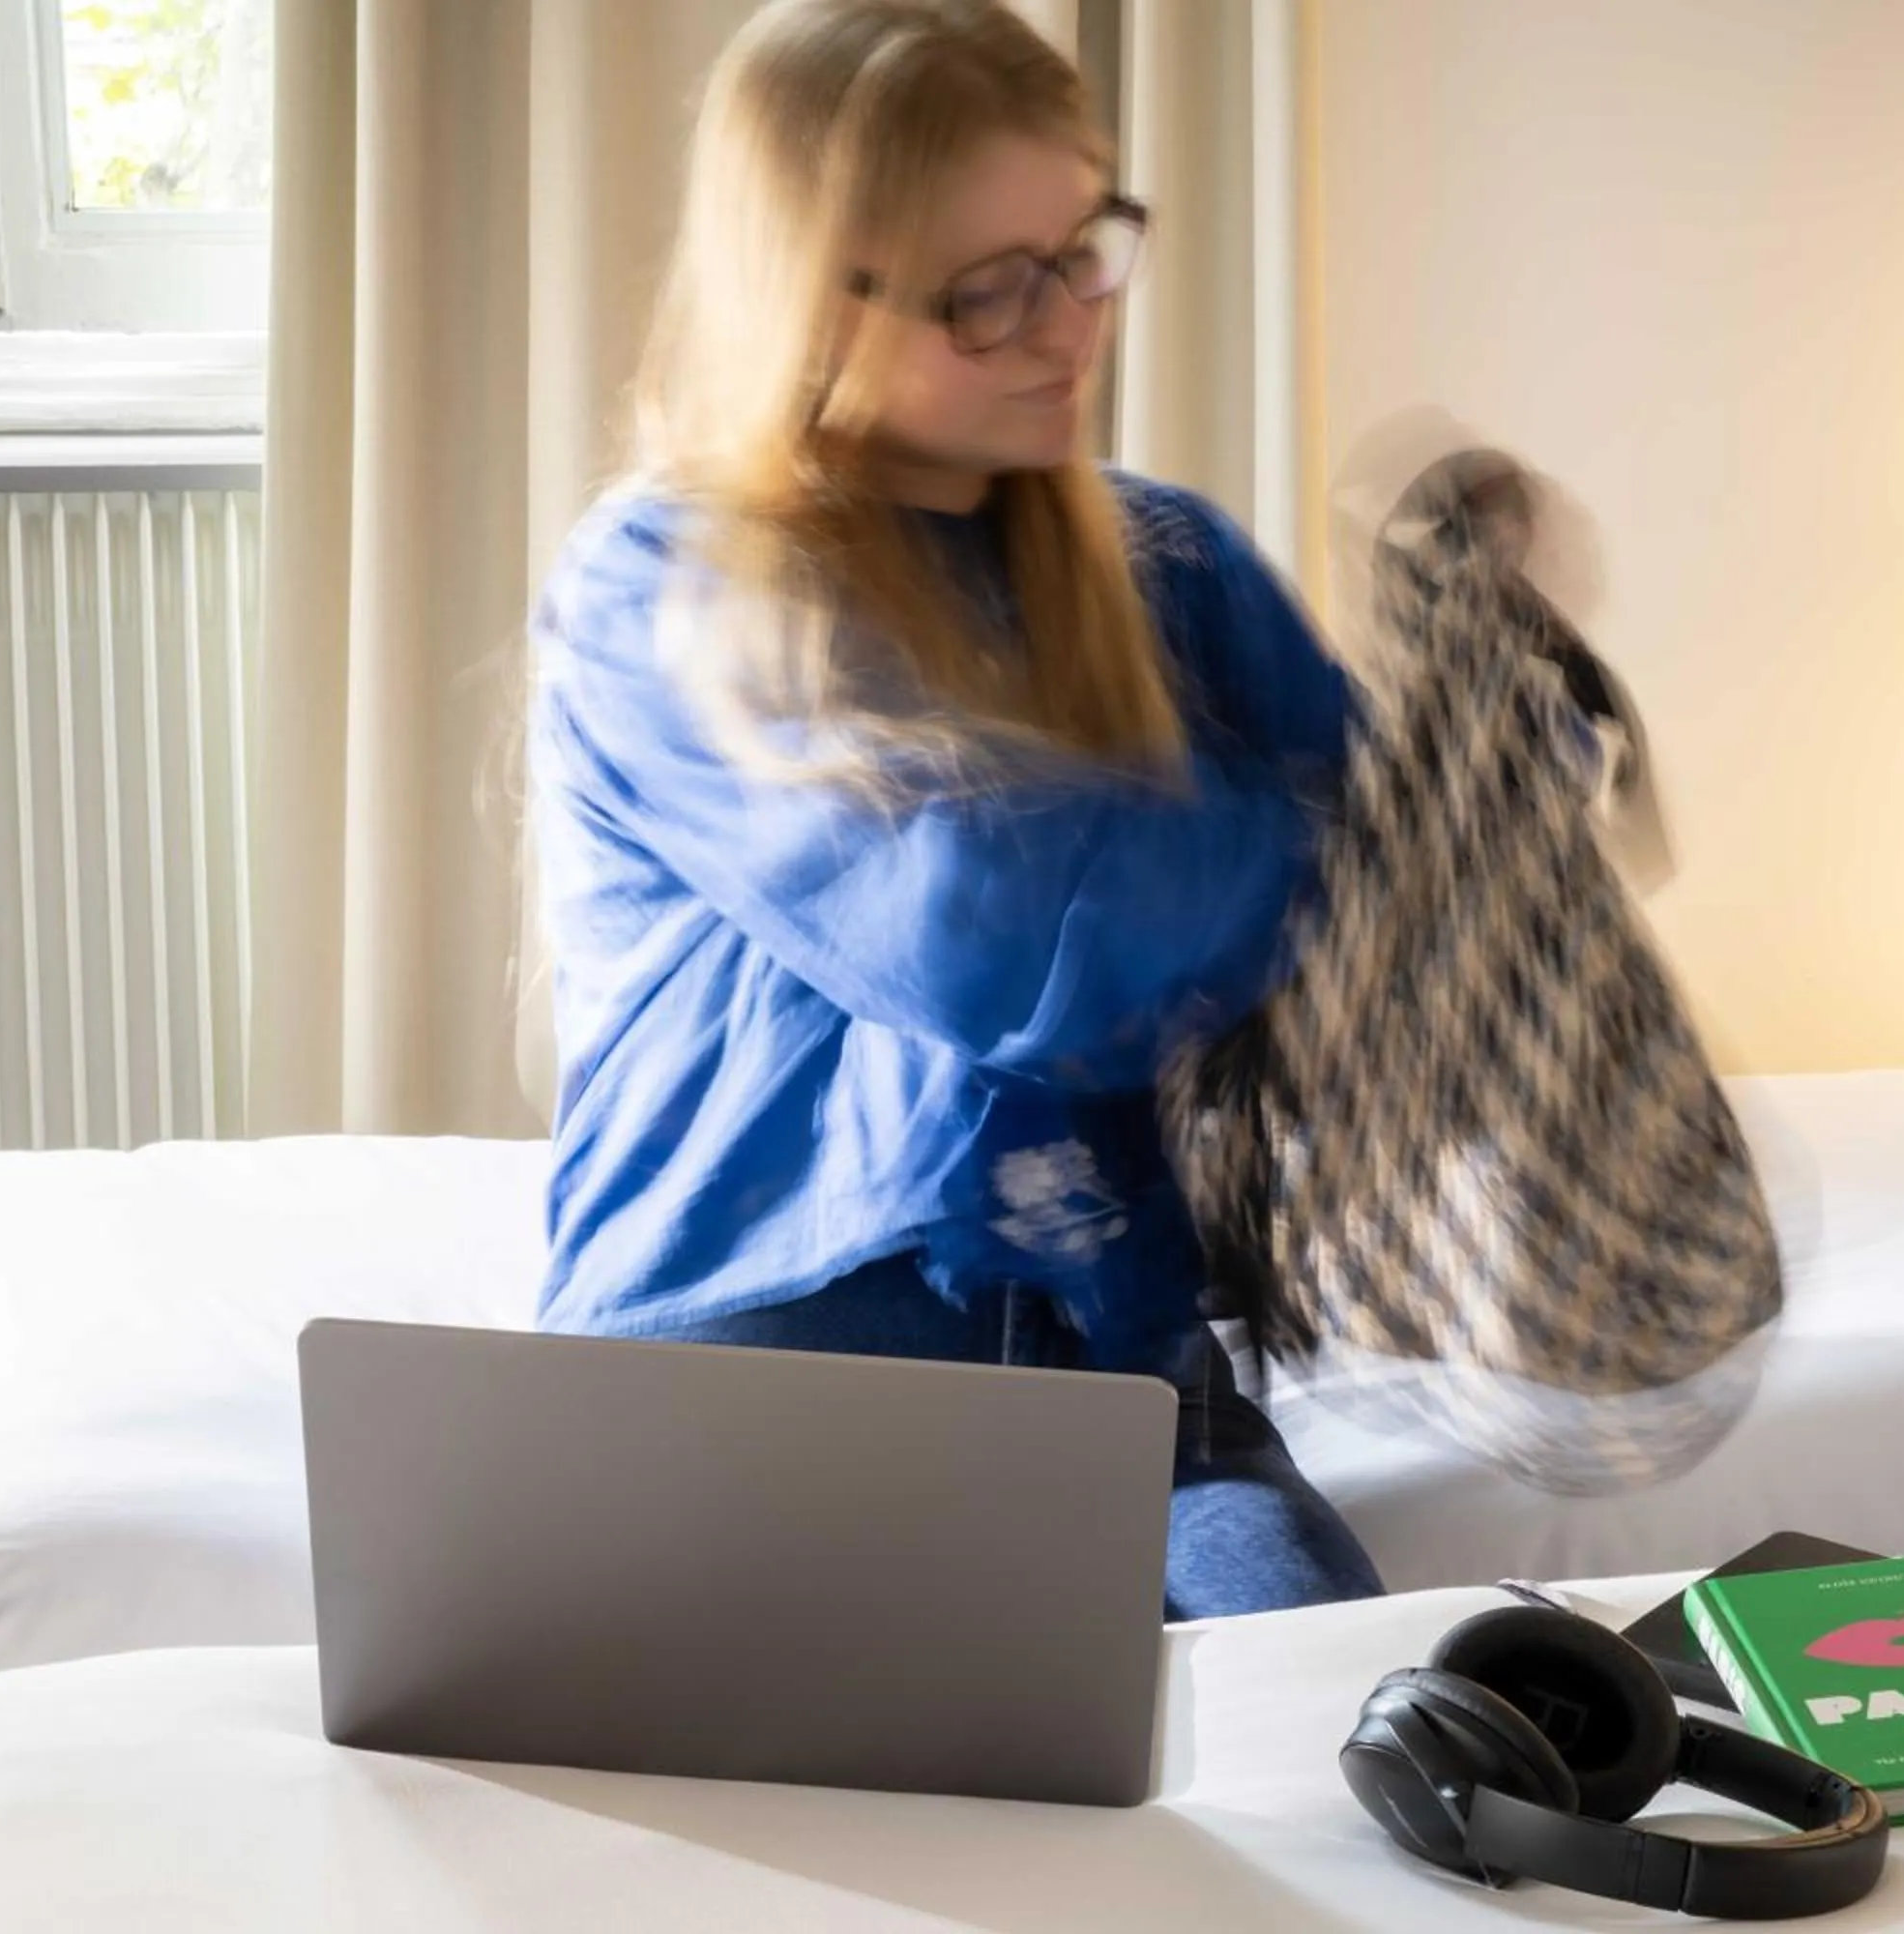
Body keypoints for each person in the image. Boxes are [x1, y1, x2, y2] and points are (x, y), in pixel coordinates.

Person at [521, 0, 1384, 1620]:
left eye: (1082, 255)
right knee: (904, 1747)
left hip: (1127, 1387)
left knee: (1337, 1712)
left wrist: (1498, 783)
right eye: (986, 291)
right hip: (749, 1374)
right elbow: (988, 928)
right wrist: (1371, 841)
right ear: (807, 295)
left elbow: (1406, 914)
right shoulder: (671, 584)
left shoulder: (1171, 565)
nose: (1064, 330)